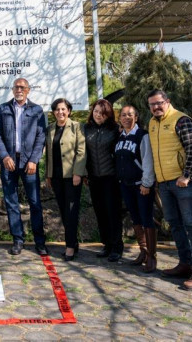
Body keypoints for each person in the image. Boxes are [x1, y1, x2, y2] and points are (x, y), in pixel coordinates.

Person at [147, 89, 192, 290]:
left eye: (159, 103)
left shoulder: (181, 120)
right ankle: (185, 263)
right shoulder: (152, 123)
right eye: (152, 104)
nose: (156, 107)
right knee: (174, 223)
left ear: (167, 101)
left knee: (191, 223)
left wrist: (187, 175)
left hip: (184, 181)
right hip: (164, 182)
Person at [0, 78, 48, 256]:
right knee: (11, 202)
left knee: (35, 202)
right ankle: (18, 240)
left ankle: (40, 242)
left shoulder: (37, 110)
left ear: (28, 90)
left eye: (23, 87)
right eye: (16, 87)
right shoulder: (3, 109)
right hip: (9, 162)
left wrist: (34, 160)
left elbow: (41, 137)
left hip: (29, 163)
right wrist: (4, 156)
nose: (19, 89)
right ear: (12, 89)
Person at [114, 105, 157, 272]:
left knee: (146, 218)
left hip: (141, 185)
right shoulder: (120, 137)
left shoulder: (142, 135)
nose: (126, 118)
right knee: (136, 219)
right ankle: (143, 252)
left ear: (136, 117)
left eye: (130, 115)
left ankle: (152, 257)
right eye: (123, 115)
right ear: (120, 118)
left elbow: (147, 160)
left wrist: (147, 183)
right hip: (126, 184)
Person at [44, 98, 86, 261]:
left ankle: (69, 247)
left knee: (71, 211)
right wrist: (48, 175)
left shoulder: (77, 127)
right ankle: (73, 242)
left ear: (69, 111)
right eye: (57, 109)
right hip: (56, 177)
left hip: (72, 177)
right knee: (63, 210)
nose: (60, 112)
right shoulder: (50, 128)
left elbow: (81, 151)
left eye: (63, 109)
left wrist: (78, 173)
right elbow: (49, 154)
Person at [84, 99, 123, 262]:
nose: (98, 115)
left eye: (102, 113)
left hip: (111, 177)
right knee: (100, 212)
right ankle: (106, 244)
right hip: (94, 177)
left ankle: (117, 246)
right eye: (96, 111)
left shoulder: (115, 129)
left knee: (113, 212)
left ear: (108, 115)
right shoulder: (86, 129)